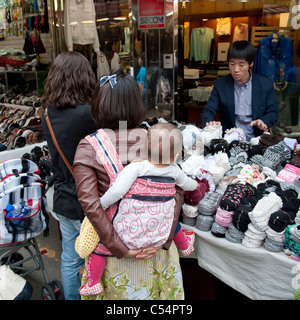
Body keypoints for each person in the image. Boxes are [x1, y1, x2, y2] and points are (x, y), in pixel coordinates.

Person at [73, 69, 186, 300]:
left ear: (99, 104)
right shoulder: (156, 136)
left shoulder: (88, 147)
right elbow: (178, 188)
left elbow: (92, 206)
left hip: (114, 256)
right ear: (137, 101)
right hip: (158, 252)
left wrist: (121, 248)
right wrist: (163, 239)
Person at [79, 122, 198, 296]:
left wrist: (101, 204)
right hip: (159, 234)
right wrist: (198, 185)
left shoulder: (136, 167)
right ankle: (185, 245)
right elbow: (188, 185)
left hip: (128, 234)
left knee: (100, 248)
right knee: (171, 218)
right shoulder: (175, 171)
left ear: (145, 150)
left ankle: (94, 282)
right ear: (174, 157)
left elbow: (118, 191)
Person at [41, 51, 99, 300]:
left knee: (70, 258)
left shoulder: (46, 113)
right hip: (89, 198)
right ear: (84, 77)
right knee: (96, 260)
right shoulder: (89, 114)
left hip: (63, 196)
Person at [201, 40, 278, 141]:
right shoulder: (220, 85)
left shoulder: (265, 85)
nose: (236, 69)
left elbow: (273, 112)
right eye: (232, 64)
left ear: (251, 63)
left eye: (241, 65)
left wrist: (262, 121)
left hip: (256, 140)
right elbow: (209, 110)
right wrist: (210, 123)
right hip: (229, 141)